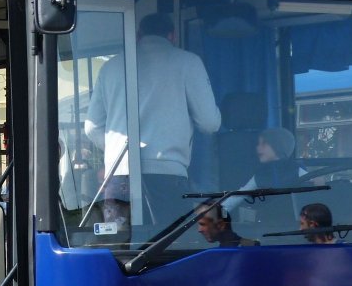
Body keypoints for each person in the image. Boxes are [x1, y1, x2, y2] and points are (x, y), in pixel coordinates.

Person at [85, 12, 221, 232]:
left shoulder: (111, 67)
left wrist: (116, 149)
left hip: (119, 175)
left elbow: (91, 127)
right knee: (168, 249)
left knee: (117, 245)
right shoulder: (188, 62)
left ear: (138, 35)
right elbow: (209, 123)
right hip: (167, 175)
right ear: (172, 35)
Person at [224, 126, 306, 216]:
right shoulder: (261, 174)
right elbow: (238, 196)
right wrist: (218, 212)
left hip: (294, 224)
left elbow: (313, 190)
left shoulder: (297, 170)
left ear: (277, 145)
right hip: (270, 224)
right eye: (258, 144)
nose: (258, 148)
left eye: (263, 144)